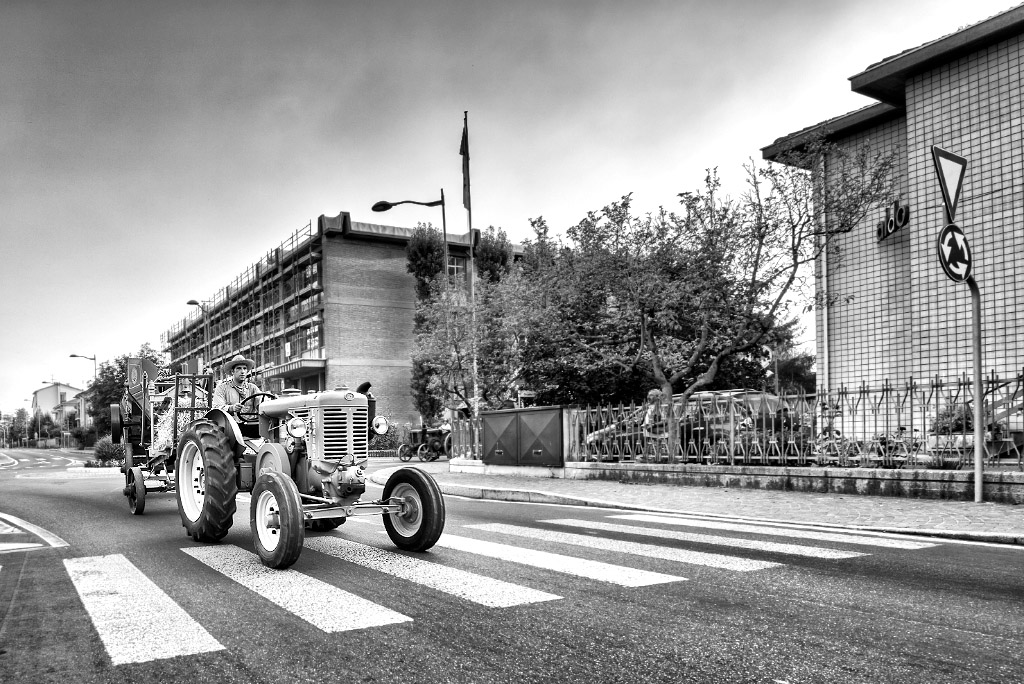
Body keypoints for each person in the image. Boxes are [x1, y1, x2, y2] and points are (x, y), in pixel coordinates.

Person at [213, 354, 263, 420]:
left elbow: (262, 401)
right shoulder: (222, 388)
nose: (242, 372)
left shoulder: (253, 388)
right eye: (239, 368)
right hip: (232, 427)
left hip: (251, 424)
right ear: (232, 371)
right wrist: (231, 408)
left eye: (244, 368)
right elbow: (216, 408)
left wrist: (272, 401)